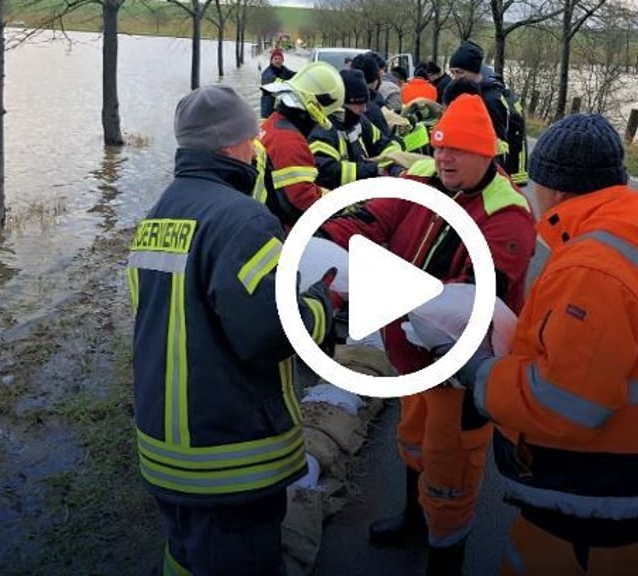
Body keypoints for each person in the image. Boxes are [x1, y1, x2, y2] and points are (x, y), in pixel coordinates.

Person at [446, 114, 638, 576]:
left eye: (536, 184)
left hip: (592, 499)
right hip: (619, 485)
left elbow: (566, 403)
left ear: (558, 190)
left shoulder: (592, 268)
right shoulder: (628, 240)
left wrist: (480, 372)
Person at [127, 86, 343, 576]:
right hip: (230, 460)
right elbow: (268, 333)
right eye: (252, 138)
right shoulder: (243, 220)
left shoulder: (158, 216)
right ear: (231, 146)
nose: (258, 147)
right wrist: (322, 306)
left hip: (163, 450)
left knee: (183, 557)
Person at [317, 93, 536, 575]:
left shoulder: (508, 216)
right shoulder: (419, 180)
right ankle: (415, 522)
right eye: (439, 147)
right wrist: (323, 244)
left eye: (456, 149)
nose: (443, 157)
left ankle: (445, 558)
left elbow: (471, 300)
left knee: (449, 472)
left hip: (461, 375)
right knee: (412, 442)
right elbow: (372, 217)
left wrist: (377, 285)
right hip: (411, 360)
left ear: (488, 153)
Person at [259, 62, 345, 227]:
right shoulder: (290, 141)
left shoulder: (272, 123)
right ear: (312, 111)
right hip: (282, 231)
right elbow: (303, 203)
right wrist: (340, 204)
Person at [446, 41, 529, 185]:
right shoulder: (480, 92)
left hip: (501, 173)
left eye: (459, 72)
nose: (455, 78)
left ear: (475, 71)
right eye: (452, 72)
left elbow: (498, 144)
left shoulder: (490, 99)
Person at [308, 69, 401, 190]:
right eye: (358, 104)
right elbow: (326, 171)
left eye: (365, 103)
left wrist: (393, 166)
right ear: (340, 105)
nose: (364, 109)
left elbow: (385, 144)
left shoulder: (359, 120)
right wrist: (373, 170)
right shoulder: (322, 128)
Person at [260, 48, 296, 119]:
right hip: (268, 108)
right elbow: (273, 81)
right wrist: (286, 83)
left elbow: (292, 75)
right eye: (275, 59)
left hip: (280, 106)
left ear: (282, 61)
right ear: (271, 60)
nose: (277, 61)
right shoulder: (267, 73)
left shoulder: (283, 69)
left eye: (279, 59)